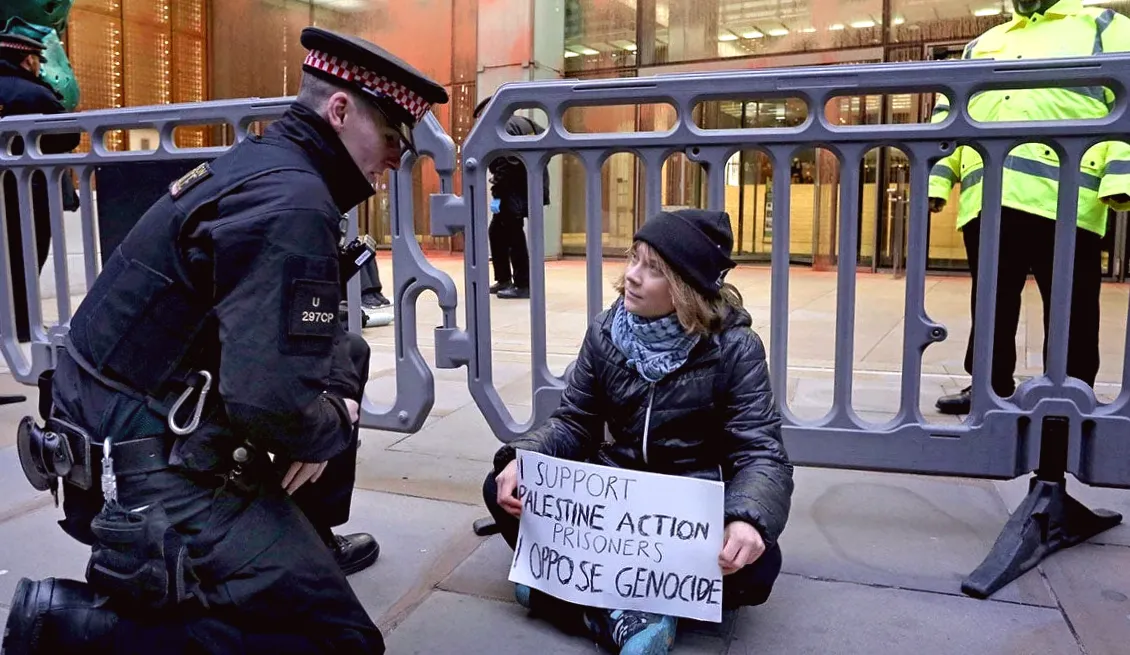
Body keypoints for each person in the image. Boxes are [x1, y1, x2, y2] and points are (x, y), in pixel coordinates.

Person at [3, 26, 447, 654]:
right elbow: (267, 402)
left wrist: (322, 412)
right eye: (392, 138)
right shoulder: (294, 203)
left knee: (345, 357)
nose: (397, 159)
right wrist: (330, 424)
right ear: (340, 110)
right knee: (340, 640)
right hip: (142, 468)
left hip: (121, 424)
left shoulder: (266, 166)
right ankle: (72, 629)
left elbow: (296, 351)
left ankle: (293, 543)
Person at [483, 209, 793, 654]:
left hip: (687, 506)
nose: (631, 276)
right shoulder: (606, 332)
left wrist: (746, 519)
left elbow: (761, 452)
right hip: (613, 500)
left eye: (653, 269)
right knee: (501, 487)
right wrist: (522, 458)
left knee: (760, 566)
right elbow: (574, 421)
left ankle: (570, 598)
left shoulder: (734, 348)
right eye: (633, 259)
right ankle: (632, 613)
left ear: (686, 288)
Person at [929, 0, 1130, 415]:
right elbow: (949, 113)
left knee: (1071, 303)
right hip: (988, 194)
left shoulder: (1105, 26)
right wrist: (937, 178)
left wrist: (1121, 177)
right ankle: (987, 386)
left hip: (1068, 194)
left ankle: (1071, 390)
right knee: (990, 302)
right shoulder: (985, 42)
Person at [0, 16, 80, 345]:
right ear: (29, 59)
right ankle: (19, 326)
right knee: (25, 258)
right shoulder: (33, 94)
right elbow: (68, 136)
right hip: (25, 195)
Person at [473, 95, 550, 300]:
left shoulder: (504, 126)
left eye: (481, 116)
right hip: (523, 188)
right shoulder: (524, 123)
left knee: (513, 235)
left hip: (511, 191)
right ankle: (504, 279)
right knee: (497, 231)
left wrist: (496, 183)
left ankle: (523, 284)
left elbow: (508, 162)